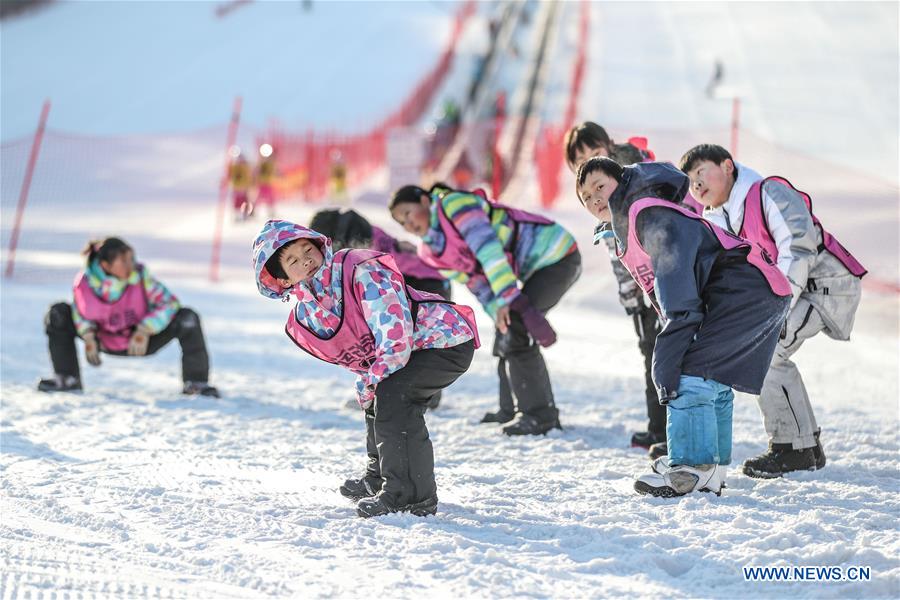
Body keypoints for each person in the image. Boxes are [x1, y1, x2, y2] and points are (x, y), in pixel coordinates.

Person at [576, 157, 791, 496]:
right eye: (586, 197)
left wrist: (666, 357)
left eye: (600, 187)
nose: (594, 199)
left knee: (689, 370)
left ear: (623, 181)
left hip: (745, 289)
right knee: (709, 374)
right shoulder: (630, 224)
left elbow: (677, 295)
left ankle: (691, 466)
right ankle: (711, 467)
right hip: (755, 289)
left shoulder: (648, 215)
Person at [252, 220, 479, 517]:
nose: (305, 260)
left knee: (394, 395)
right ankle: (380, 477)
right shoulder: (309, 310)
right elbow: (357, 350)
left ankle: (410, 494)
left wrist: (373, 381)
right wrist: (369, 383)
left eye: (307, 249)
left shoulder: (359, 269)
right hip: (407, 350)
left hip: (441, 339)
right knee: (378, 396)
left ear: (321, 246)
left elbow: (395, 334)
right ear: (281, 280)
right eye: (293, 260)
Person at [679, 144, 866, 478]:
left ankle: (793, 448)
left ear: (727, 166)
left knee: (767, 352)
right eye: (690, 180)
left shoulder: (767, 191)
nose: (696, 184)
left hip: (823, 284)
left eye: (700, 172)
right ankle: (805, 447)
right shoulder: (715, 220)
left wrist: (779, 307)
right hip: (791, 294)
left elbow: (798, 247)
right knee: (764, 352)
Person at [389, 183, 581, 436]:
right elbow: (476, 282)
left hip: (556, 254)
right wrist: (498, 311)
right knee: (507, 328)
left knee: (518, 326)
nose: (407, 224)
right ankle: (510, 410)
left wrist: (509, 299)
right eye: (401, 222)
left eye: (407, 213)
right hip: (530, 270)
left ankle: (540, 416)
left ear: (424, 201)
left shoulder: (454, 204)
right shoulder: (431, 251)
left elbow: (488, 250)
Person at [564, 121, 682, 452]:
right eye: (579, 157)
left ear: (607, 144)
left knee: (667, 354)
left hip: (664, 279)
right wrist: (630, 295)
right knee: (651, 353)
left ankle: (672, 431)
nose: (588, 157)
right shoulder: (598, 189)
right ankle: (658, 427)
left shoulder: (627, 178)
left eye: (592, 149)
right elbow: (616, 251)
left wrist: (642, 290)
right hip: (643, 287)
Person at [38, 238, 219, 397]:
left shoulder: (141, 277)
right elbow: (80, 311)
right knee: (58, 313)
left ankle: (196, 383)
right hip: (104, 340)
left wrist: (144, 329)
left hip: (140, 341)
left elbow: (169, 303)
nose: (131, 264)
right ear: (106, 265)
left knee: (188, 318)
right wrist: (88, 335)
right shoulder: (84, 283)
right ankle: (67, 379)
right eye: (124, 261)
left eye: (131, 258)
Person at [228, 152, 253, 220]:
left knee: (244, 201)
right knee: (237, 201)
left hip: (244, 187)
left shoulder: (245, 167)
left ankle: (246, 214)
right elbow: (230, 175)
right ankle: (237, 215)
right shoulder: (234, 167)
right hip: (237, 187)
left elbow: (248, 176)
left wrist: (249, 184)